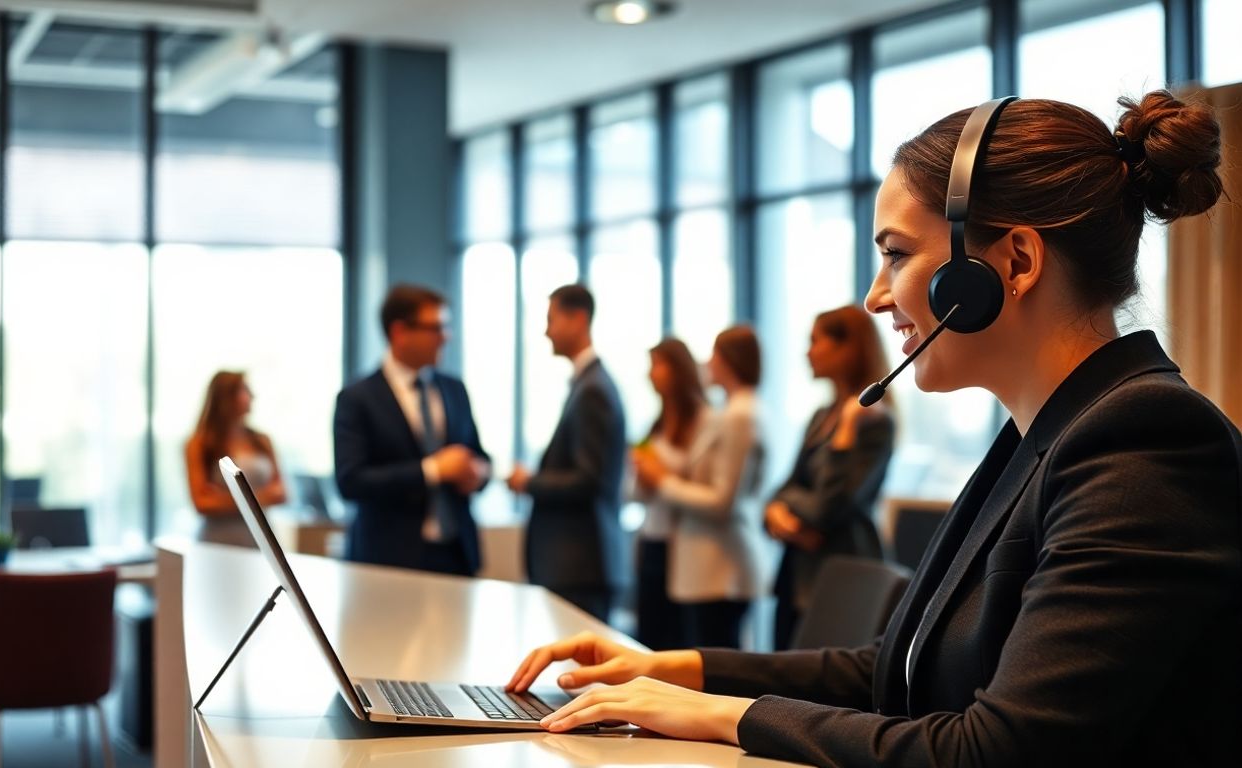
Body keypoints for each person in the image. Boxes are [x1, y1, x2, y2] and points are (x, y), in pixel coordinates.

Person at [506, 90, 1240, 766]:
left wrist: (726, 716)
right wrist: (680, 670)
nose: (875, 295)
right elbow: (894, 665)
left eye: (896, 254)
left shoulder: (1146, 441)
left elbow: (1001, 750)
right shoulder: (1046, 433)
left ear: (1012, 263)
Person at [334, 284, 490, 576]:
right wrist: (432, 470)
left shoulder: (454, 390)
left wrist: (480, 473)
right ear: (399, 333)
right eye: (436, 328)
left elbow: (478, 455)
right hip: (389, 560)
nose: (446, 337)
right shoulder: (357, 398)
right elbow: (350, 481)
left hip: (456, 555)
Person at [764, 305, 896, 649]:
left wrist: (846, 433)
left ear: (846, 348)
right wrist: (777, 510)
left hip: (841, 577)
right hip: (797, 573)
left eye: (815, 341)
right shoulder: (820, 415)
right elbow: (783, 489)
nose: (807, 352)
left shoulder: (875, 420)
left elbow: (828, 507)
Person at [632, 326, 764, 649]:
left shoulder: (735, 415)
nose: (708, 362)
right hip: (693, 561)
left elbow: (723, 501)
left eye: (715, 355)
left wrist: (662, 479)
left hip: (715, 565)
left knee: (710, 668)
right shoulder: (731, 412)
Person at [508, 284, 627, 622]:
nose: (546, 332)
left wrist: (528, 482)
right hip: (577, 564)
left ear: (578, 319)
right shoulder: (588, 384)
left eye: (551, 319)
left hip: (580, 564)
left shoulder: (593, 390)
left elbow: (588, 479)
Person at [628, 337, 708, 650]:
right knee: (649, 635)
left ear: (678, 369)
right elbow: (636, 492)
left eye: (658, 366)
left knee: (680, 637)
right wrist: (644, 475)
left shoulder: (703, 421)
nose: (652, 374)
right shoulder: (655, 425)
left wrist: (660, 473)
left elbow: (700, 483)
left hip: (683, 543)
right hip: (651, 538)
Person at [186, 371, 287, 547]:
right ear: (226, 396)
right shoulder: (200, 444)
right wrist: (262, 497)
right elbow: (202, 503)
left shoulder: (262, 441)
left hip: (260, 538)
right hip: (217, 540)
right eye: (245, 390)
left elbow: (281, 493)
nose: (252, 396)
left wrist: (222, 498)